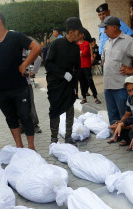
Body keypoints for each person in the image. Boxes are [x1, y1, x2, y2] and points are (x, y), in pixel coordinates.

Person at [0, 9, 41, 149]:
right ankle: (19, 146)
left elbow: (36, 48)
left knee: (25, 117)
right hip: (1, 90)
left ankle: (31, 147)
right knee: (10, 118)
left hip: (19, 88)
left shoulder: (15, 36)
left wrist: (24, 64)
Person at [100, 16, 133, 125]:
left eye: (106, 28)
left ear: (115, 27)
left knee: (123, 113)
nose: (105, 31)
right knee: (112, 114)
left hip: (120, 86)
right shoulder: (107, 42)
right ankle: (115, 134)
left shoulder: (128, 40)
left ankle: (124, 137)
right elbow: (103, 59)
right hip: (108, 86)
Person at [46, 17, 83, 145]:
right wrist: (62, 74)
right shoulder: (56, 44)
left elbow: (77, 68)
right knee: (55, 109)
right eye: (79, 32)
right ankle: (54, 136)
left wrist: (75, 87)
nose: (80, 35)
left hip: (69, 84)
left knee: (70, 108)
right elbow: (48, 64)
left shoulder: (75, 47)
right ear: (72, 31)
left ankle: (68, 136)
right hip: (55, 83)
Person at [22, 47, 44, 133]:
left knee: (27, 104)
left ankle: (26, 126)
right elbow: (38, 59)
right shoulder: (25, 51)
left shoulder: (25, 51)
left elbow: (38, 59)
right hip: (25, 83)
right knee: (30, 104)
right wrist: (33, 72)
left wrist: (33, 72)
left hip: (22, 83)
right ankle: (34, 125)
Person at [78, 32, 100, 105]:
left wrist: (79, 52)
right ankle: (84, 97)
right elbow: (76, 53)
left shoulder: (87, 43)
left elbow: (84, 53)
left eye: (79, 33)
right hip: (79, 65)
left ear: (82, 34)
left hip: (86, 65)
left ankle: (95, 97)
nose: (78, 35)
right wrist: (79, 52)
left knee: (90, 81)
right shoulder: (76, 44)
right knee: (81, 82)